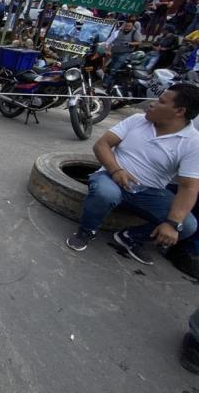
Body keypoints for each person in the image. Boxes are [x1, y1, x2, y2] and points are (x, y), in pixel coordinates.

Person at [65, 84, 199, 268]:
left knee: (188, 225)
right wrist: (116, 170)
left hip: (149, 192)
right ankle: (87, 230)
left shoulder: (193, 143)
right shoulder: (137, 120)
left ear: (180, 111)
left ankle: (130, 237)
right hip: (110, 178)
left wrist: (173, 223)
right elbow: (102, 145)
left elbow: (189, 187)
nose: (151, 104)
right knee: (106, 193)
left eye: (161, 101)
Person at [104, 19, 142, 85]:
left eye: (129, 26)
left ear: (132, 26)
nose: (127, 27)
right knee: (111, 67)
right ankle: (111, 82)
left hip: (124, 53)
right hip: (114, 52)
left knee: (114, 68)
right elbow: (111, 41)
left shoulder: (135, 32)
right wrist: (108, 50)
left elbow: (139, 42)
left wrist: (130, 43)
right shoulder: (119, 31)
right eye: (126, 26)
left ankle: (106, 83)